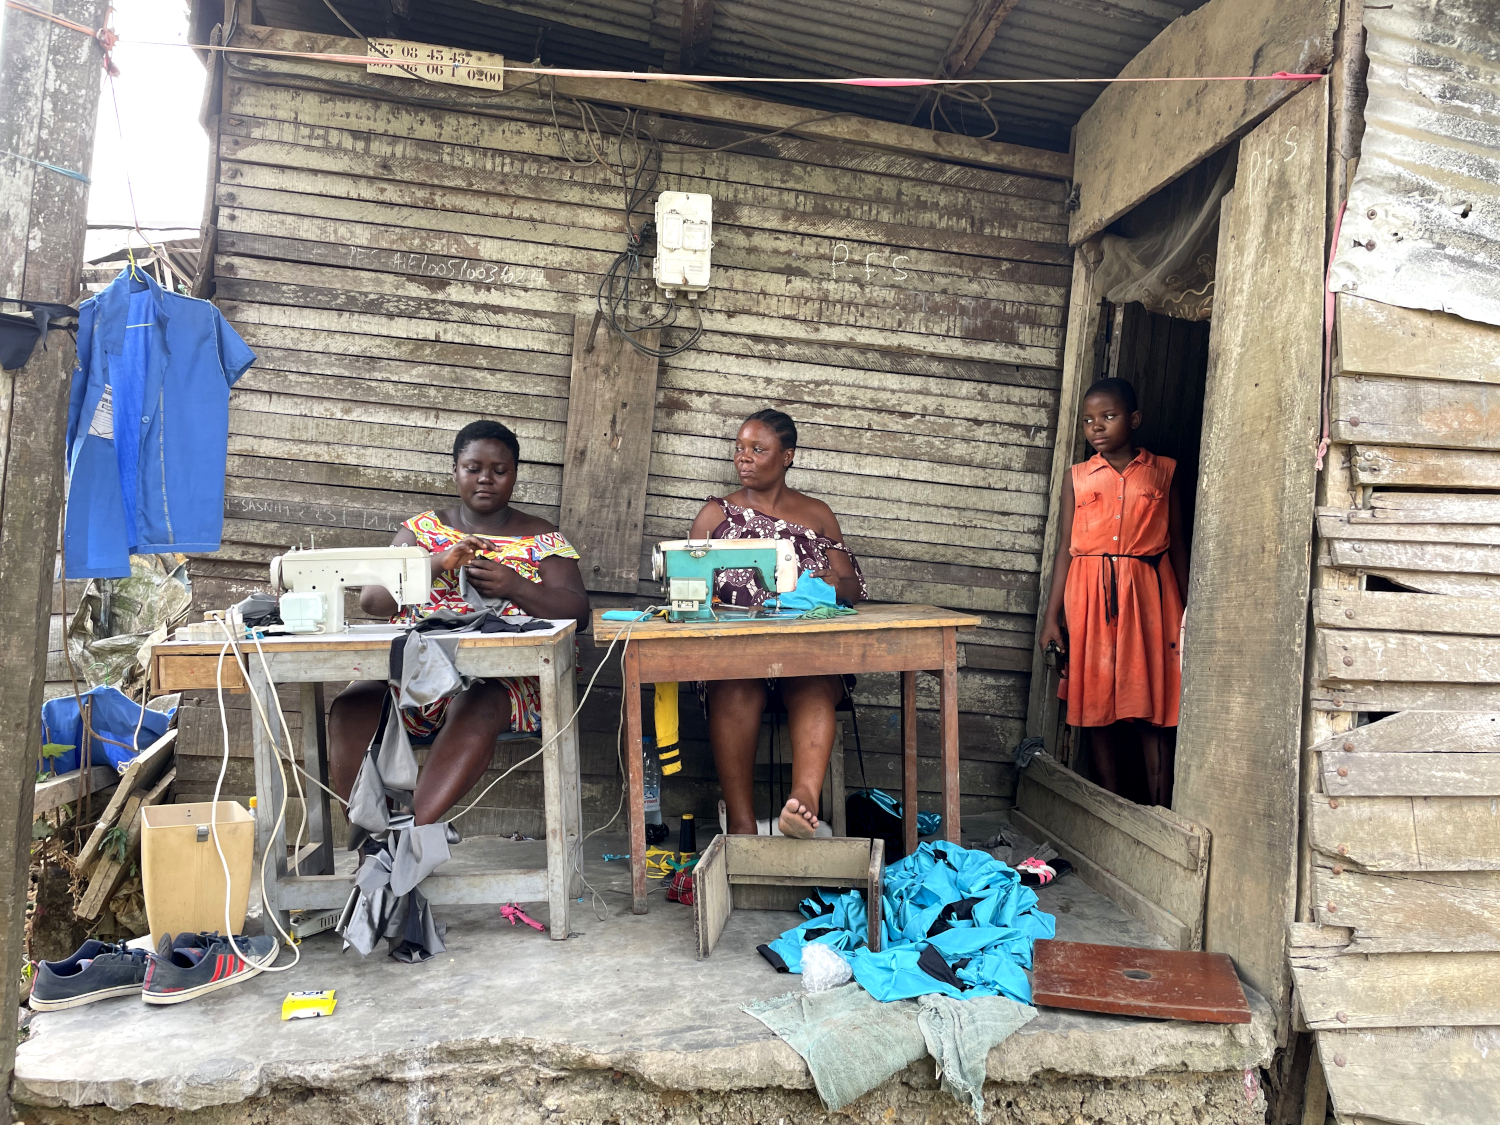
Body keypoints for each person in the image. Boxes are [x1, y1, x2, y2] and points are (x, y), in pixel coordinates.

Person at [328, 420, 590, 825]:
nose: (486, 479)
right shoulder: (420, 532)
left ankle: (413, 830)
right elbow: (373, 601)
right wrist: (437, 563)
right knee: (351, 704)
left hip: (506, 684)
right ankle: (372, 833)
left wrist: (514, 585)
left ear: (514, 474)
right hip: (415, 681)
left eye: (499, 471)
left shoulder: (542, 538)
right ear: (455, 470)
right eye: (473, 468)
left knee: (479, 701)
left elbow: (578, 613)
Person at [688, 409, 867, 839]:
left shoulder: (817, 514)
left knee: (814, 682)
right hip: (735, 656)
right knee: (734, 686)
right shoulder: (715, 516)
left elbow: (852, 588)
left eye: (757, 449)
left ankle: (803, 800)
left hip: (806, 651)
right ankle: (743, 825)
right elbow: (687, 587)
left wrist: (833, 584)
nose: (743, 458)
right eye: (739, 449)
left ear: (786, 456)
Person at [1036, 378, 1188, 805]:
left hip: (1148, 594)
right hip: (1087, 593)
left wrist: (1188, 610)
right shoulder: (1078, 478)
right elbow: (1066, 548)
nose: (1096, 427)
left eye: (1108, 416)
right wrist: (1052, 617)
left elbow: (1176, 542)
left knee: (1150, 706)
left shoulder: (1164, 471)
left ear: (1134, 419)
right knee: (1097, 703)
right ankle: (1110, 809)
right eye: (1088, 420)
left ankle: (1159, 809)